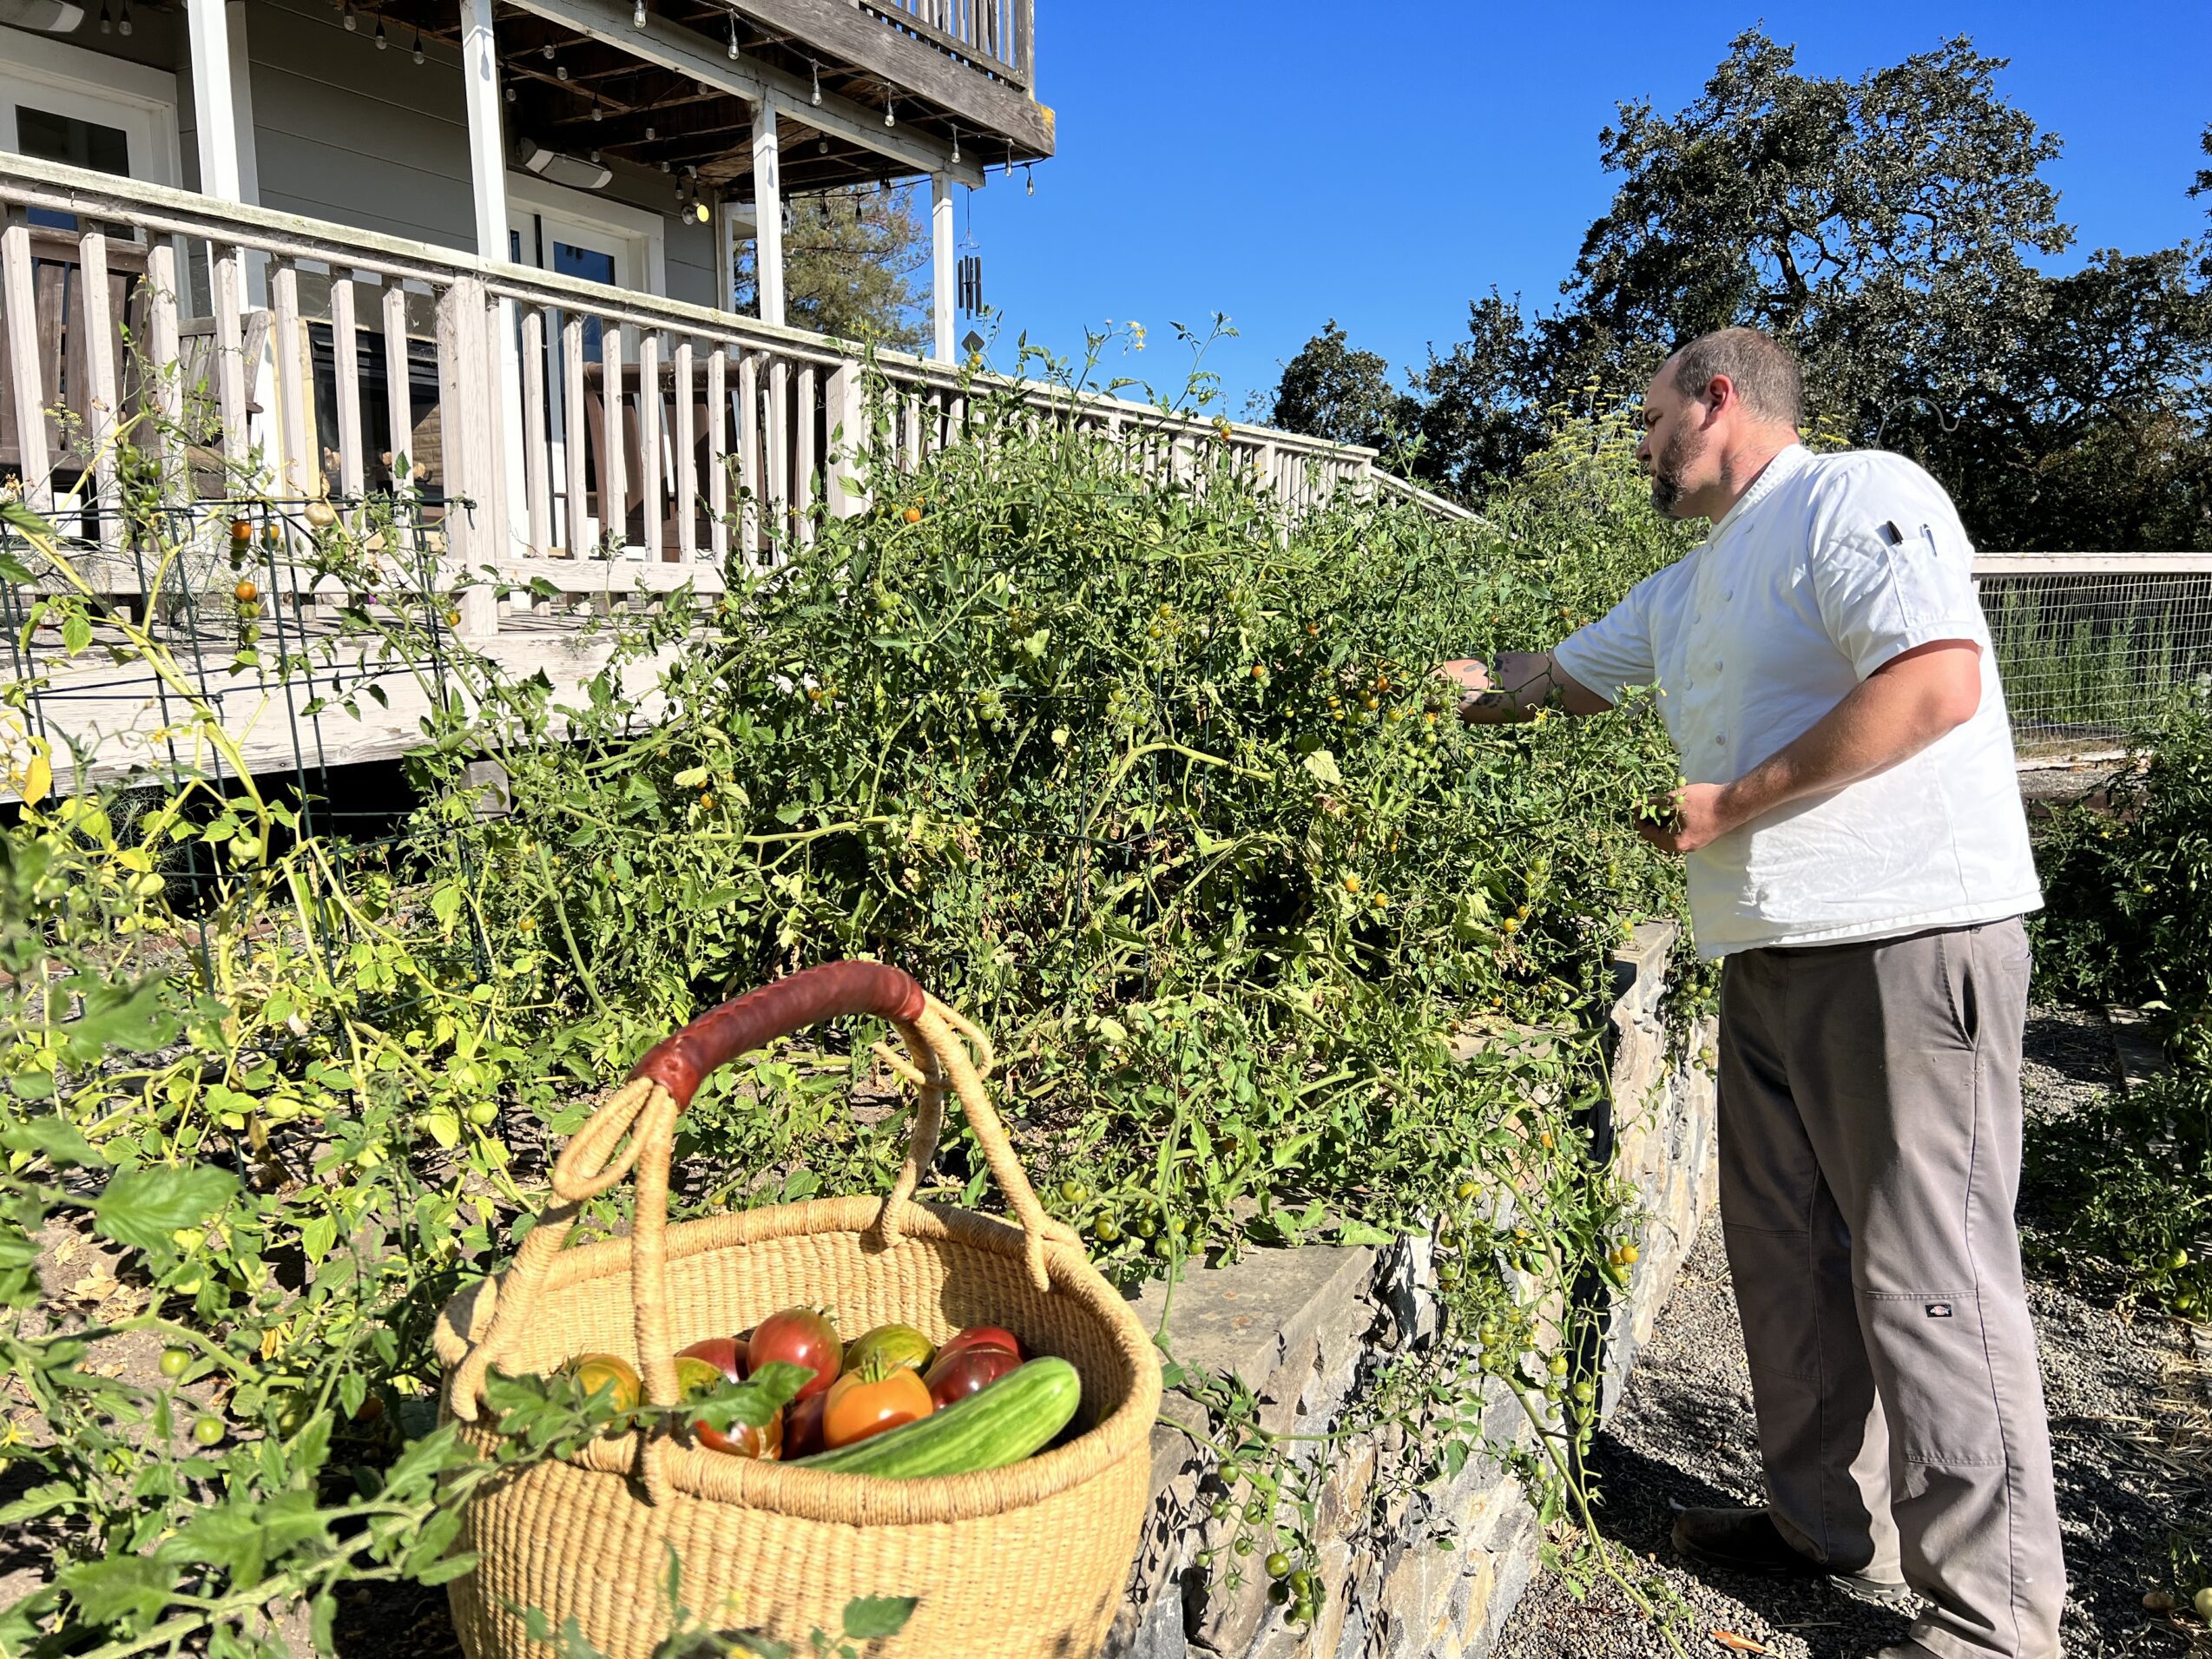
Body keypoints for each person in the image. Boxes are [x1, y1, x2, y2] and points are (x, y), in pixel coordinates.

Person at [1441, 327, 2063, 1659]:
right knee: (1788, 1259)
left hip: (1907, 935)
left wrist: (1731, 802)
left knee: (1932, 1277)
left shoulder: (1860, 495)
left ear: (1716, 399)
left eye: (1648, 414)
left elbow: (1934, 681)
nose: (1639, 442)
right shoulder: (1692, 585)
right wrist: (1447, 692)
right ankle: (1819, 1524)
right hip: (1770, 950)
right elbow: (1548, 680)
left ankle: (1996, 1624)